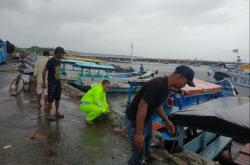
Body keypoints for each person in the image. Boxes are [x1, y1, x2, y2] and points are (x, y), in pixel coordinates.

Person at [126, 65, 195, 165]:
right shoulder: (158, 84)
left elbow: (157, 105)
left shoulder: (167, 86)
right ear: (180, 77)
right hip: (134, 120)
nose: (184, 86)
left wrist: (168, 122)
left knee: (148, 139)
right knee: (138, 150)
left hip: (146, 118)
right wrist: (139, 134)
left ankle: (147, 156)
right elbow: (142, 106)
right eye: (185, 83)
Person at [42, 47, 66, 121]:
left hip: (58, 82)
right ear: (58, 53)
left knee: (58, 98)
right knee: (50, 99)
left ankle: (56, 112)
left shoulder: (59, 61)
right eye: (62, 53)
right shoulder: (50, 61)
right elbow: (44, 71)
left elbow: (57, 72)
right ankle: (48, 115)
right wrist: (44, 82)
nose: (63, 55)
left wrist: (62, 80)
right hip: (51, 82)